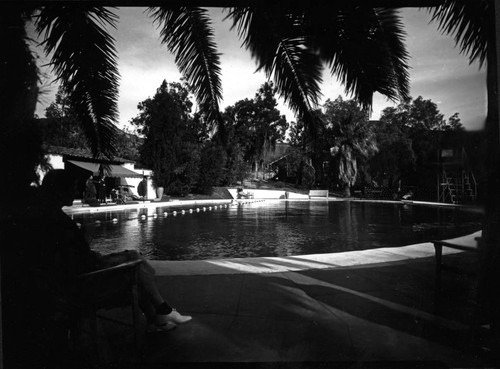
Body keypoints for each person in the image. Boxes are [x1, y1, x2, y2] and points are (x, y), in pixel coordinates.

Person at [40, 169, 192, 332]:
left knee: (135, 259)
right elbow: (77, 262)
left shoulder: (51, 217)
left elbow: (76, 258)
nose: (78, 191)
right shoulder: (59, 222)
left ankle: (159, 319)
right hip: (86, 283)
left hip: (84, 273)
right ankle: (162, 312)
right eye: (73, 187)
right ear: (61, 189)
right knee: (137, 269)